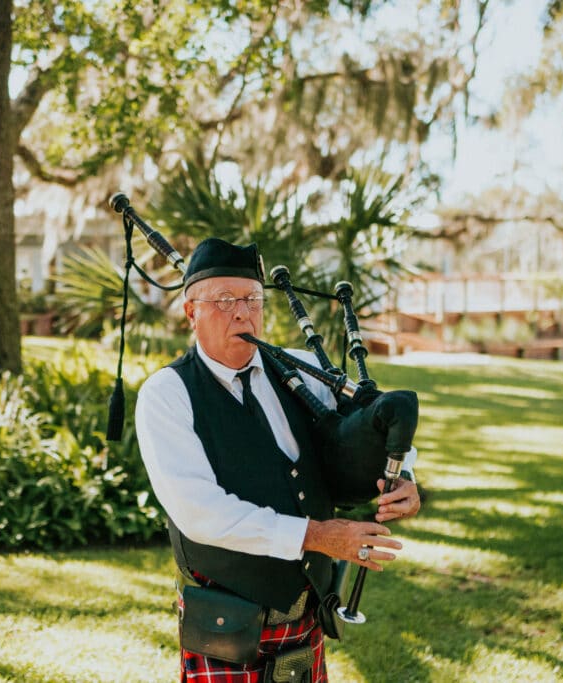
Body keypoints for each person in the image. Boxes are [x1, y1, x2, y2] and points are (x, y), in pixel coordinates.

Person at [135, 237, 421, 682]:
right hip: (229, 622)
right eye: (224, 300)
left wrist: (403, 472)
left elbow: (375, 420)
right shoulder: (167, 394)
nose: (242, 312)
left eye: (252, 298)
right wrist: (316, 535)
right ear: (191, 313)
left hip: (305, 614)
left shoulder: (299, 369)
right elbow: (200, 513)